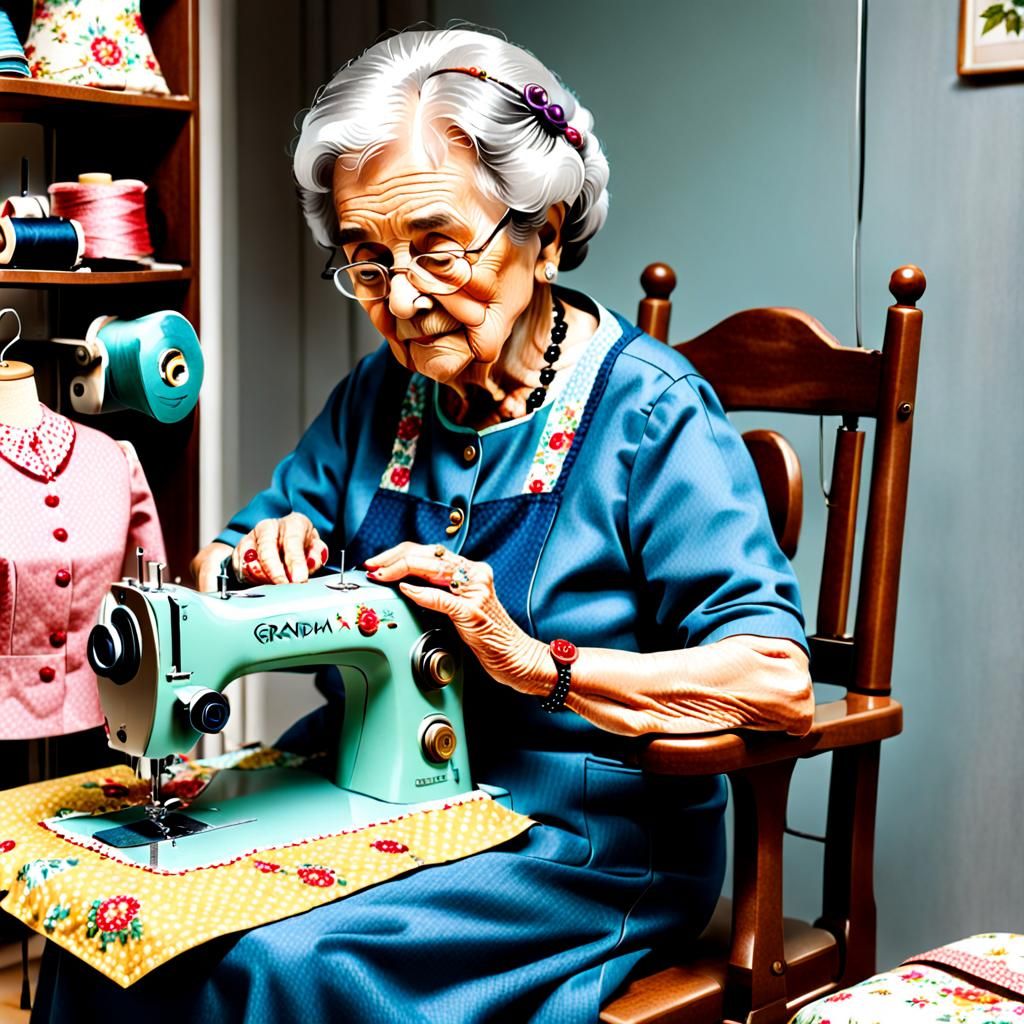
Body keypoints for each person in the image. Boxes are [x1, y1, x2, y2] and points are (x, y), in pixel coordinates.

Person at [37, 26, 813, 1023]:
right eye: (365, 260)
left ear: (547, 224)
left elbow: (774, 682)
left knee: (283, 960)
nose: (400, 298)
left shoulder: (652, 416)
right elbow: (228, 552)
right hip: (372, 786)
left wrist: (542, 665)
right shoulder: (379, 394)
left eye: (438, 248)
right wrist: (250, 558)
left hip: (573, 834)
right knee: (116, 914)